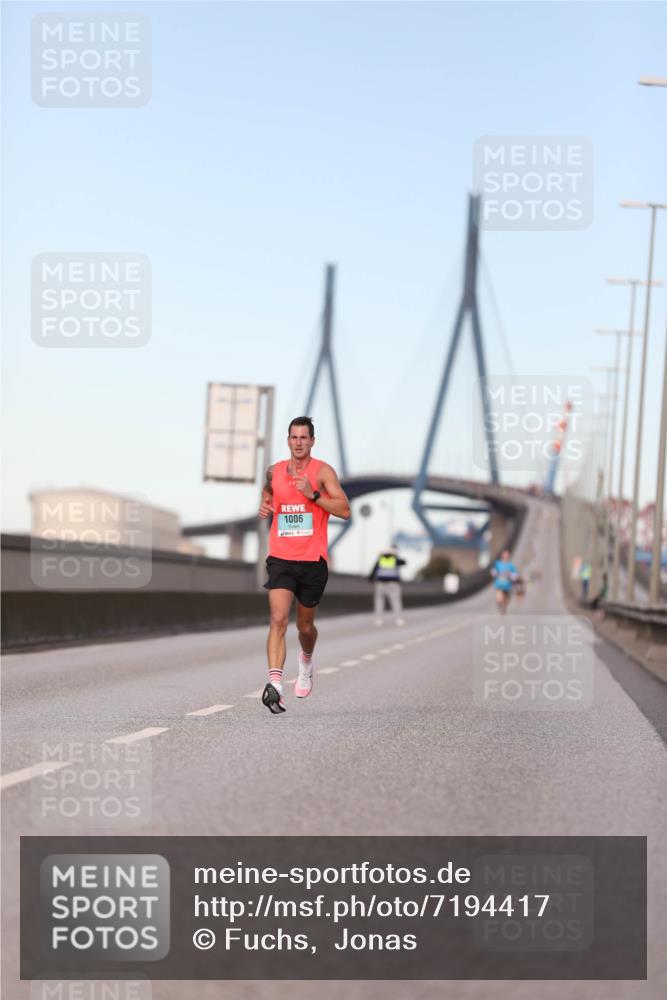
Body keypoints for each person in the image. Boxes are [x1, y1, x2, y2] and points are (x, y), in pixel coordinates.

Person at [258, 416, 351, 714]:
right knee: (278, 618)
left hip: (312, 561)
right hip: (281, 557)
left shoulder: (322, 472)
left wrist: (313, 494)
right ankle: (275, 685)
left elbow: (345, 510)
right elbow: (268, 492)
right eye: (294, 437)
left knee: (305, 626)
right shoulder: (274, 471)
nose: (298, 442)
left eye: (304, 438)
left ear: (312, 441)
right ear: (288, 440)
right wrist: (266, 505)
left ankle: (306, 662)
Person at [369, 546, 407, 626]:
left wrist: (371, 579)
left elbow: (373, 572)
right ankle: (398, 619)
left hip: (380, 584)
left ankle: (378, 619)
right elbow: (404, 562)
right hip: (393, 584)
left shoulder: (380, 560)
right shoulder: (395, 560)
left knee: (379, 602)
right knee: (396, 602)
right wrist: (396, 555)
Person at [490, 548, 519, 614]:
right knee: (499, 599)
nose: (505, 556)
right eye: (504, 554)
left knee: (506, 601)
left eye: (507, 554)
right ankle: (500, 606)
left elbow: (515, 575)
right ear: (502, 555)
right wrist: (494, 573)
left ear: (508, 555)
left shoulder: (511, 566)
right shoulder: (498, 564)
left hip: (507, 586)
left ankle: (503, 608)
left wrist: (510, 575)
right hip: (499, 585)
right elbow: (493, 571)